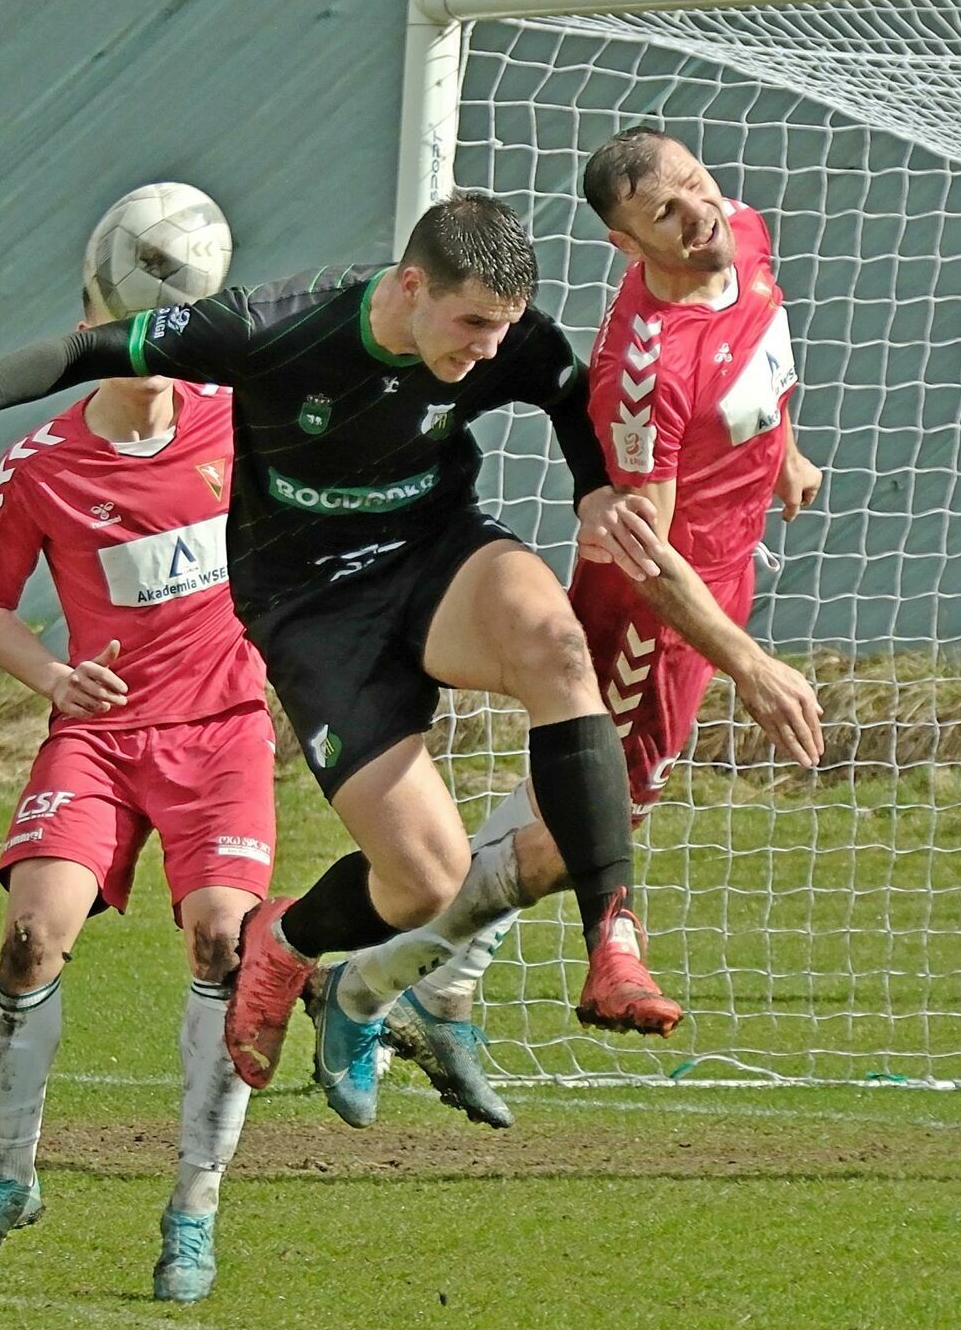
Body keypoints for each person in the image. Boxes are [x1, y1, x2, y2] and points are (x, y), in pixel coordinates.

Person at [0, 191, 693, 1137]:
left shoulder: (506, 337)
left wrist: (596, 488)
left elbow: (566, 393)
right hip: (313, 607)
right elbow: (82, 352)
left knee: (557, 646)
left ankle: (613, 938)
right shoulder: (271, 328)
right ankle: (285, 948)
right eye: (474, 324)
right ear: (411, 287)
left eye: (505, 327)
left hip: (437, 553)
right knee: (426, 881)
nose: (490, 348)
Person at [353, 128, 825, 1128]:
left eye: (698, 188)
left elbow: (764, 352)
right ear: (623, 244)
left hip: (728, 574)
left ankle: (437, 988)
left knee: (559, 809)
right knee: (581, 831)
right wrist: (746, 663)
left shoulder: (740, 231)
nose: (699, 217)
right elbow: (645, 553)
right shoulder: (647, 367)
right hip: (652, 609)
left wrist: (781, 449)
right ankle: (370, 980)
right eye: (666, 214)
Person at [0, 271, 275, 1302]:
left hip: (221, 733)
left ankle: (193, 1211)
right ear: (88, 327)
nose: (146, 344)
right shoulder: (39, 464)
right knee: (28, 938)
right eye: (119, 324)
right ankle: (10, 1179)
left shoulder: (245, 421)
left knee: (224, 941)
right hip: (96, 735)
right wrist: (54, 674)